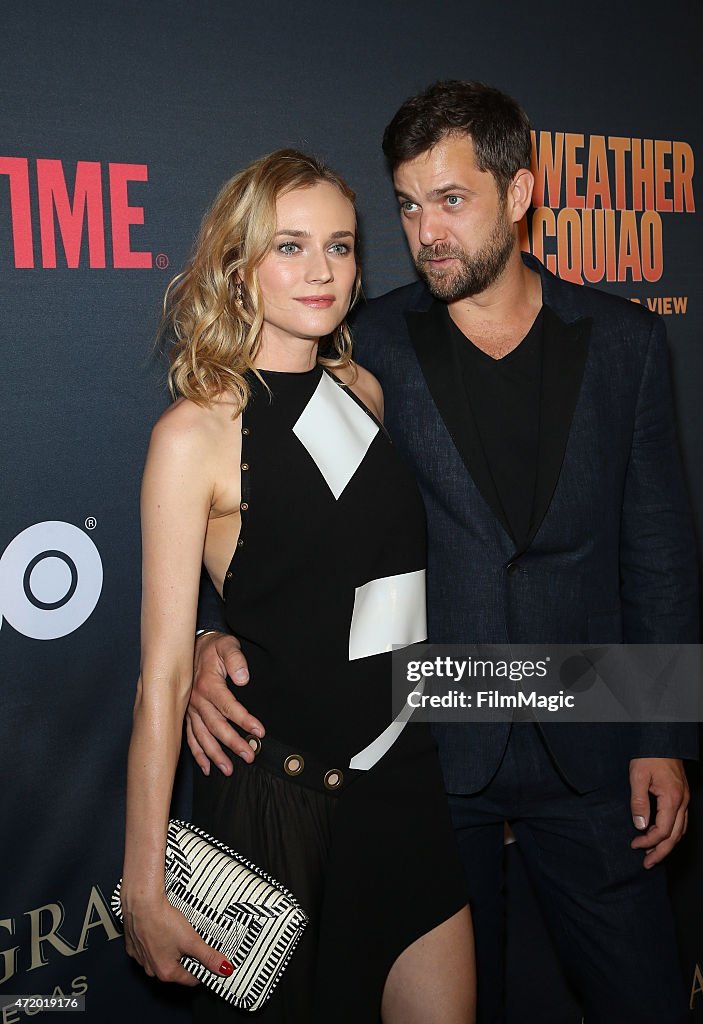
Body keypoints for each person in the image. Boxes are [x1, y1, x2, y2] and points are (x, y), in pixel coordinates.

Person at [190, 83, 699, 1024]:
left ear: (519, 194)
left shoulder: (625, 343)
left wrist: (663, 735)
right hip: (423, 753)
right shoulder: (361, 345)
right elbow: (289, 523)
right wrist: (209, 634)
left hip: (591, 746)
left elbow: (658, 555)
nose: (426, 231)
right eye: (409, 205)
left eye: (451, 200)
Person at [120, 148, 474, 1024]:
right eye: (290, 246)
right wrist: (144, 888)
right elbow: (161, 678)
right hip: (275, 810)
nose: (321, 269)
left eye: (342, 246)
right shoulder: (194, 433)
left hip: (403, 784)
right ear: (239, 266)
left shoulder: (364, 391)